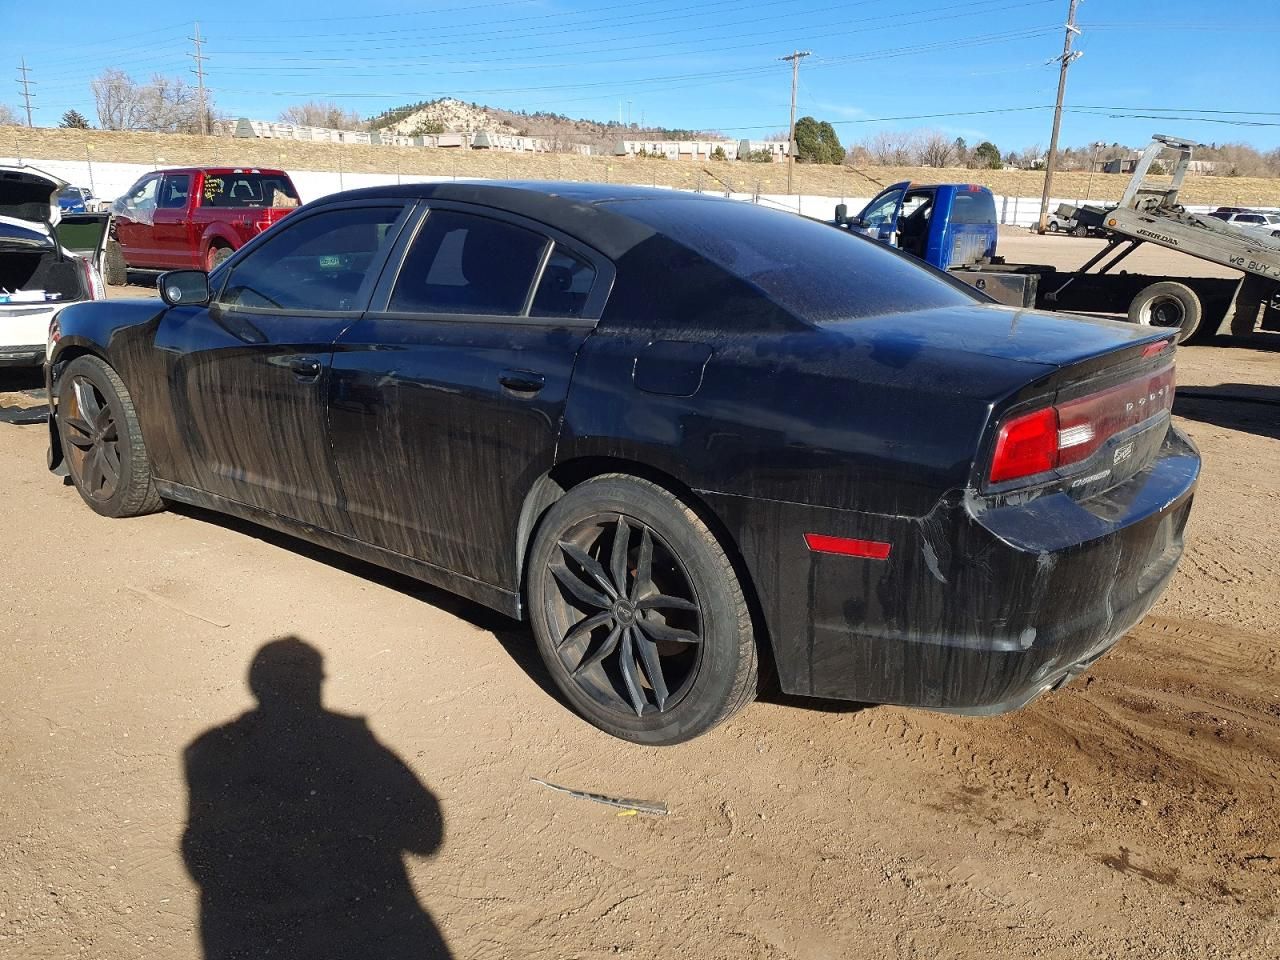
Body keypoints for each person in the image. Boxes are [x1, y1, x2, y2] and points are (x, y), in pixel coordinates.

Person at [181, 637, 451, 960]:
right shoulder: (352, 740)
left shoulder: (208, 749)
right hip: (360, 927)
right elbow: (426, 837)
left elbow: (199, 854)